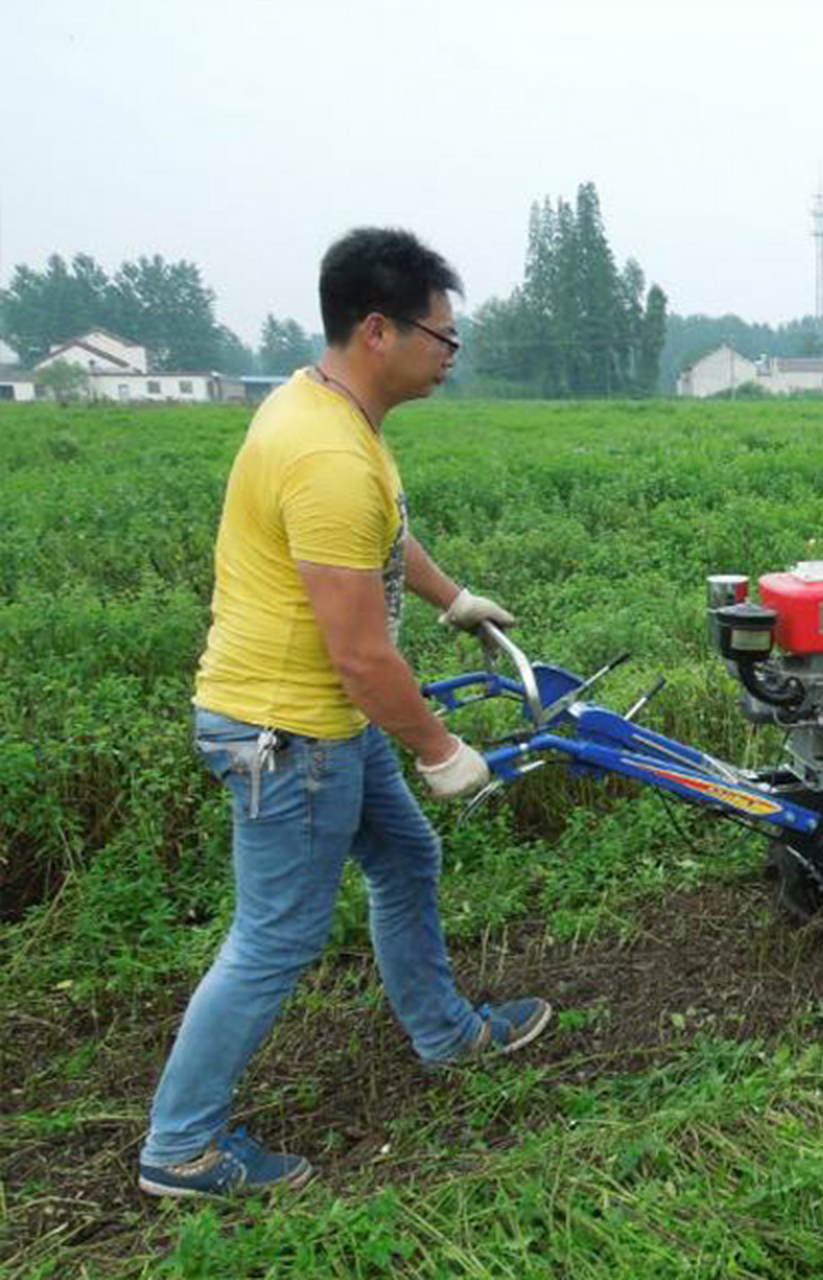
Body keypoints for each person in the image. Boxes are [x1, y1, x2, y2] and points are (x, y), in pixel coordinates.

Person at [137, 228, 549, 1199]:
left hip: (315, 720)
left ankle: (446, 1031)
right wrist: (443, 749)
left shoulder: (324, 409)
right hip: (292, 734)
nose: (451, 355)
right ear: (378, 329)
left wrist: (450, 597)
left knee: (406, 856)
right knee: (276, 936)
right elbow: (360, 654)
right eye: (441, 338)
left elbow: (378, 540)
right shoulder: (327, 454)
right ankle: (181, 1147)